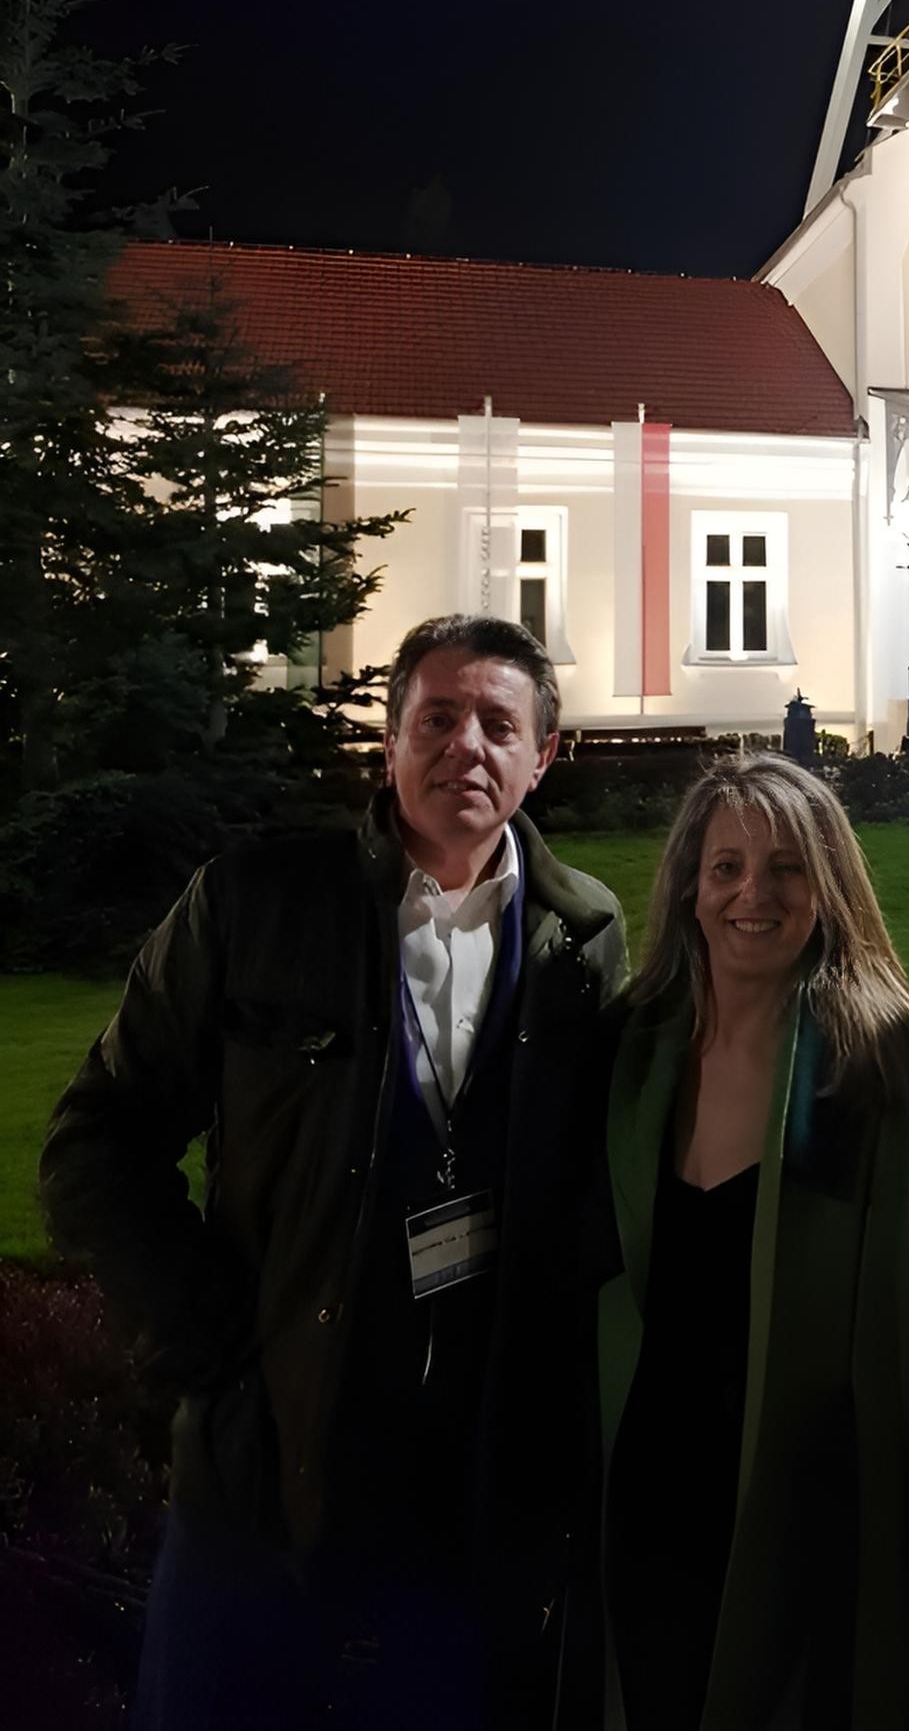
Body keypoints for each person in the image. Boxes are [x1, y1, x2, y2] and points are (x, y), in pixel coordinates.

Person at [39, 615, 627, 1731]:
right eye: (438, 718)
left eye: (500, 725)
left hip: (460, 1499)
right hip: (263, 1489)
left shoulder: (581, 935)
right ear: (389, 739)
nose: (467, 746)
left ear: (544, 755)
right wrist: (211, 1348)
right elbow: (97, 1140)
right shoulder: (255, 904)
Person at [589, 752, 909, 1730]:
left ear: (827, 888)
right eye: (727, 867)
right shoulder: (624, 1057)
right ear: (689, 886)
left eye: (788, 867)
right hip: (640, 1502)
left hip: (807, 1516)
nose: (755, 893)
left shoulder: (886, 1078)